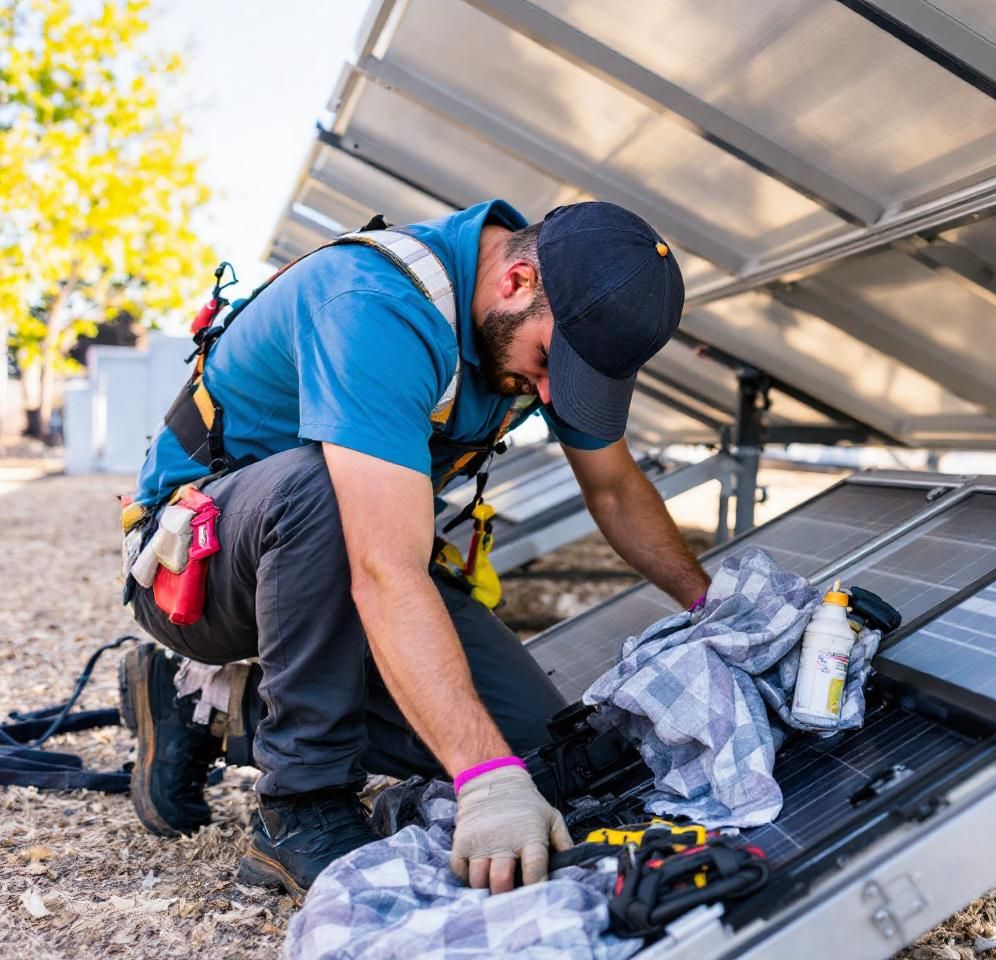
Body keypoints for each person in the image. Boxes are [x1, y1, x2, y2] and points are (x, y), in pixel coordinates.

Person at [118, 199, 709, 896]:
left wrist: (710, 604)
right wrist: (484, 782)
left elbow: (612, 489)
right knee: (319, 491)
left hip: (342, 566)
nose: (550, 393)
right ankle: (301, 806)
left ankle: (207, 707)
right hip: (202, 570)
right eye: (550, 365)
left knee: (543, 748)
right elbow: (382, 568)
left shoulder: (535, 326)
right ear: (516, 281)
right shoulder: (376, 305)